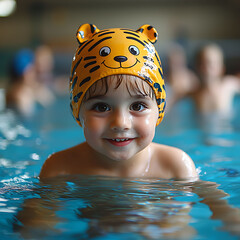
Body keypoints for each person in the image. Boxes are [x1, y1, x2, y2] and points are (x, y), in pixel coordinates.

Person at [39, 23, 198, 180]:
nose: (121, 123)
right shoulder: (59, 169)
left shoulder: (176, 168)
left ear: (160, 110)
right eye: (101, 107)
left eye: (137, 106)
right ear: (77, 111)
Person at [193, 43, 240, 115]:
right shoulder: (194, 92)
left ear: (222, 69)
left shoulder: (227, 86)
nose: (206, 69)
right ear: (197, 68)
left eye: (210, 64)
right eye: (201, 63)